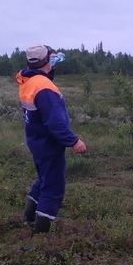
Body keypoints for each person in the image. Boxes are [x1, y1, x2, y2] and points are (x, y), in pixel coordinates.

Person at [16, 44, 87, 233]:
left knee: (44, 179)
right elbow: (55, 123)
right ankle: (41, 232)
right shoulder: (44, 87)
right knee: (53, 186)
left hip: (36, 141)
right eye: (51, 58)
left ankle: (29, 216)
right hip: (49, 144)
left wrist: (49, 68)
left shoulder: (29, 80)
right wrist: (74, 141)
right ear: (46, 60)